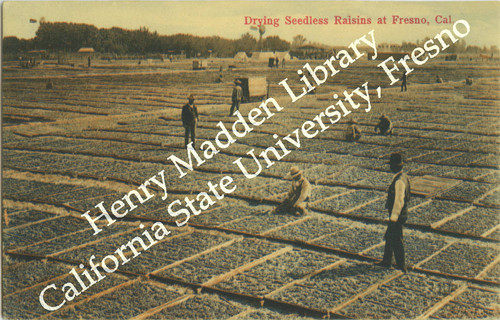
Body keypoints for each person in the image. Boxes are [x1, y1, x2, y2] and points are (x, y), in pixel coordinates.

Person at [375, 152, 411, 273]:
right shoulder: (403, 177)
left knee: (396, 238)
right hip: (399, 214)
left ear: (395, 166)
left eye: (391, 165)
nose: (390, 167)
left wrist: (393, 218)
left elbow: (399, 201)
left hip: (398, 214)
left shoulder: (399, 181)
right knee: (390, 236)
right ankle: (386, 261)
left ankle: (401, 265)